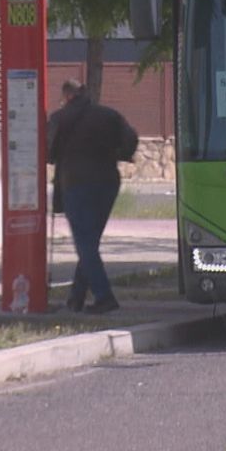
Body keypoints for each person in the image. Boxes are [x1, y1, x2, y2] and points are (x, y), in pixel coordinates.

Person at [47, 80, 139, 314]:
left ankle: (104, 297)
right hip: (108, 182)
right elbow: (131, 138)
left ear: (67, 96)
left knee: (85, 244)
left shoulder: (59, 118)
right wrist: (120, 154)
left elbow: (48, 151)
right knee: (90, 243)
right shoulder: (108, 115)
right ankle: (75, 299)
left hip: (76, 184)